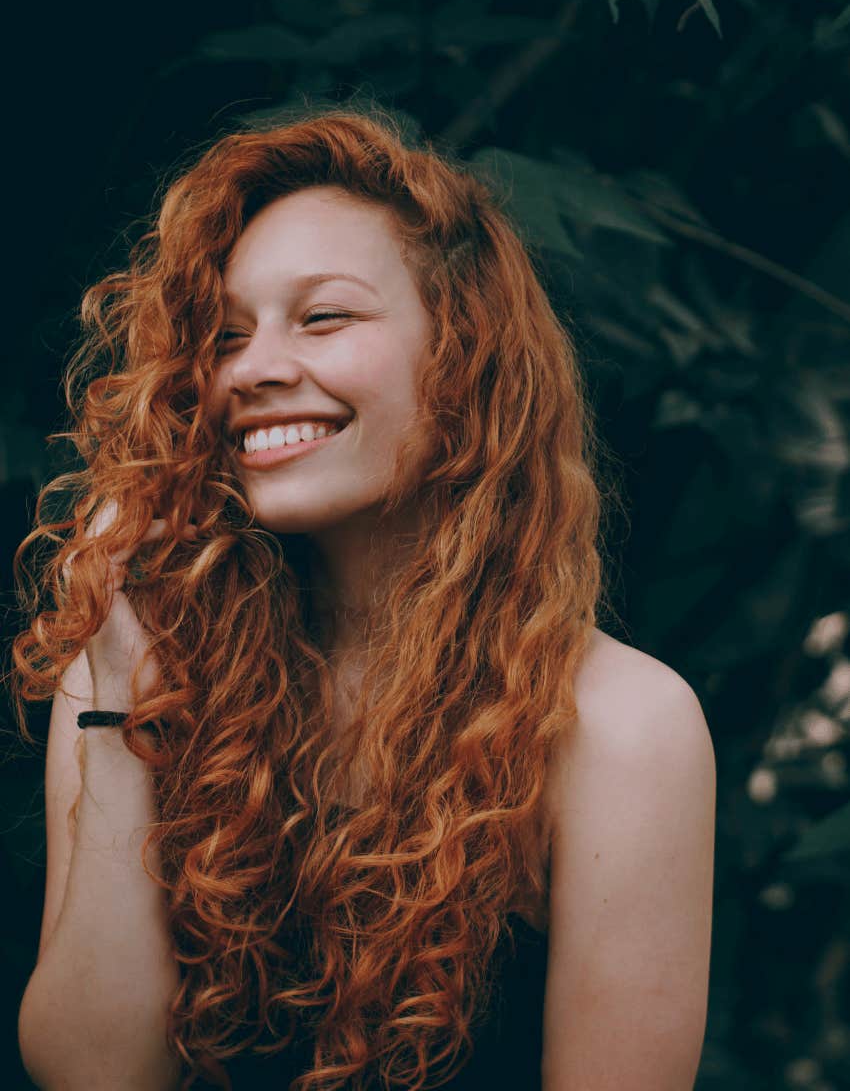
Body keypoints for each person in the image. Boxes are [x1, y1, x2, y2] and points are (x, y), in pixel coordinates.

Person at [11, 108, 715, 1091]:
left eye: (324, 316)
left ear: (464, 358)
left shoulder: (621, 725)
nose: (250, 369)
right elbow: (93, 1073)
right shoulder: (128, 666)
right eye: (223, 335)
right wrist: (126, 697)